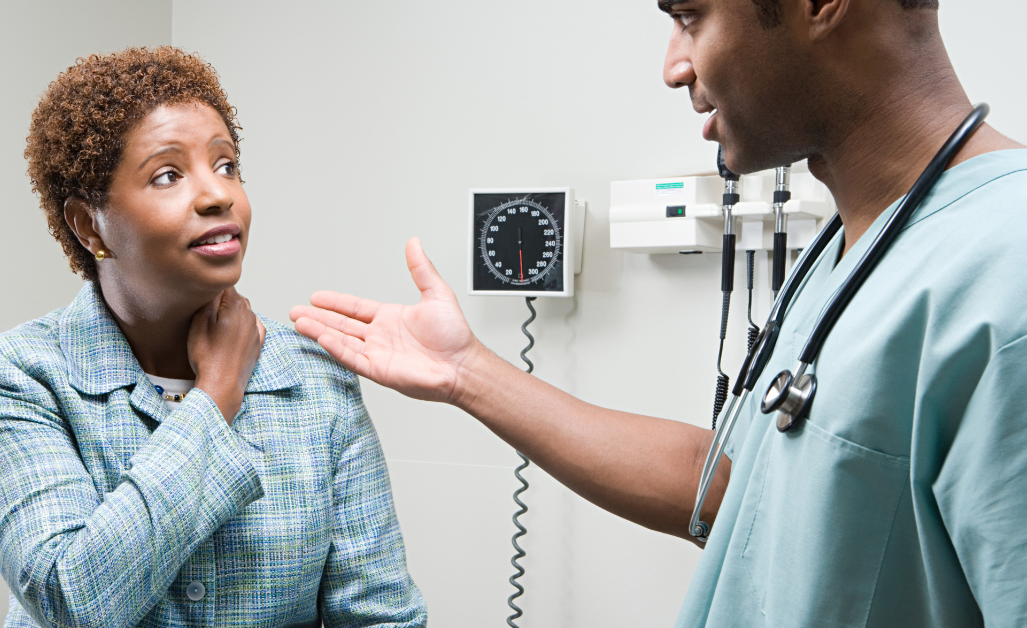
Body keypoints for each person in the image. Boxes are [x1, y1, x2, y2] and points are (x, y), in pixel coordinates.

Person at [290, 1, 1027, 625]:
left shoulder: (1005, 279)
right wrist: (467, 373)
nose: (675, 65)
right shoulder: (854, 243)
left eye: (691, 16)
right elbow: (741, 492)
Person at [0, 47, 426, 628]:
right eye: (168, 175)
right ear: (88, 224)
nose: (216, 194)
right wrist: (214, 399)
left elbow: (381, 618)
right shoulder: (14, 376)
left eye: (226, 165)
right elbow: (73, 603)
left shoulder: (316, 377)